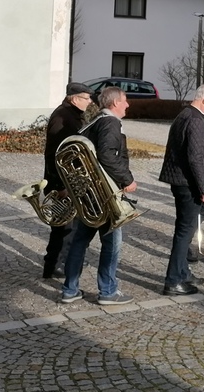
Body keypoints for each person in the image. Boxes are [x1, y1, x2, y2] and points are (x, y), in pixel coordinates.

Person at [60, 86, 137, 305]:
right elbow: (107, 156)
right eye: (125, 100)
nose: (128, 104)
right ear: (115, 103)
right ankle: (108, 291)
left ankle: (70, 290)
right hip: (104, 196)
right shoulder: (110, 123)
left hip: (88, 196)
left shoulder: (92, 123)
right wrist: (127, 179)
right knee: (112, 243)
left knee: (80, 241)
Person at [158, 84, 204, 296]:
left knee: (185, 230)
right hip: (188, 184)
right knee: (184, 233)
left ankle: (183, 273)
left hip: (181, 182)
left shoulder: (183, 114)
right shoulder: (194, 120)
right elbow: (195, 159)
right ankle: (173, 280)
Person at [41, 81, 98, 278]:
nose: (89, 102)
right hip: (62, 184)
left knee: (66, 228)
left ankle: (56, 264)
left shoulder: (72, 115)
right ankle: (55, 266)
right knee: (64, 228)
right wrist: (59, 185)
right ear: (74, 99)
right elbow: (54, 155)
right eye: (86, 98)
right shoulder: (62, 117)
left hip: (68, 182)